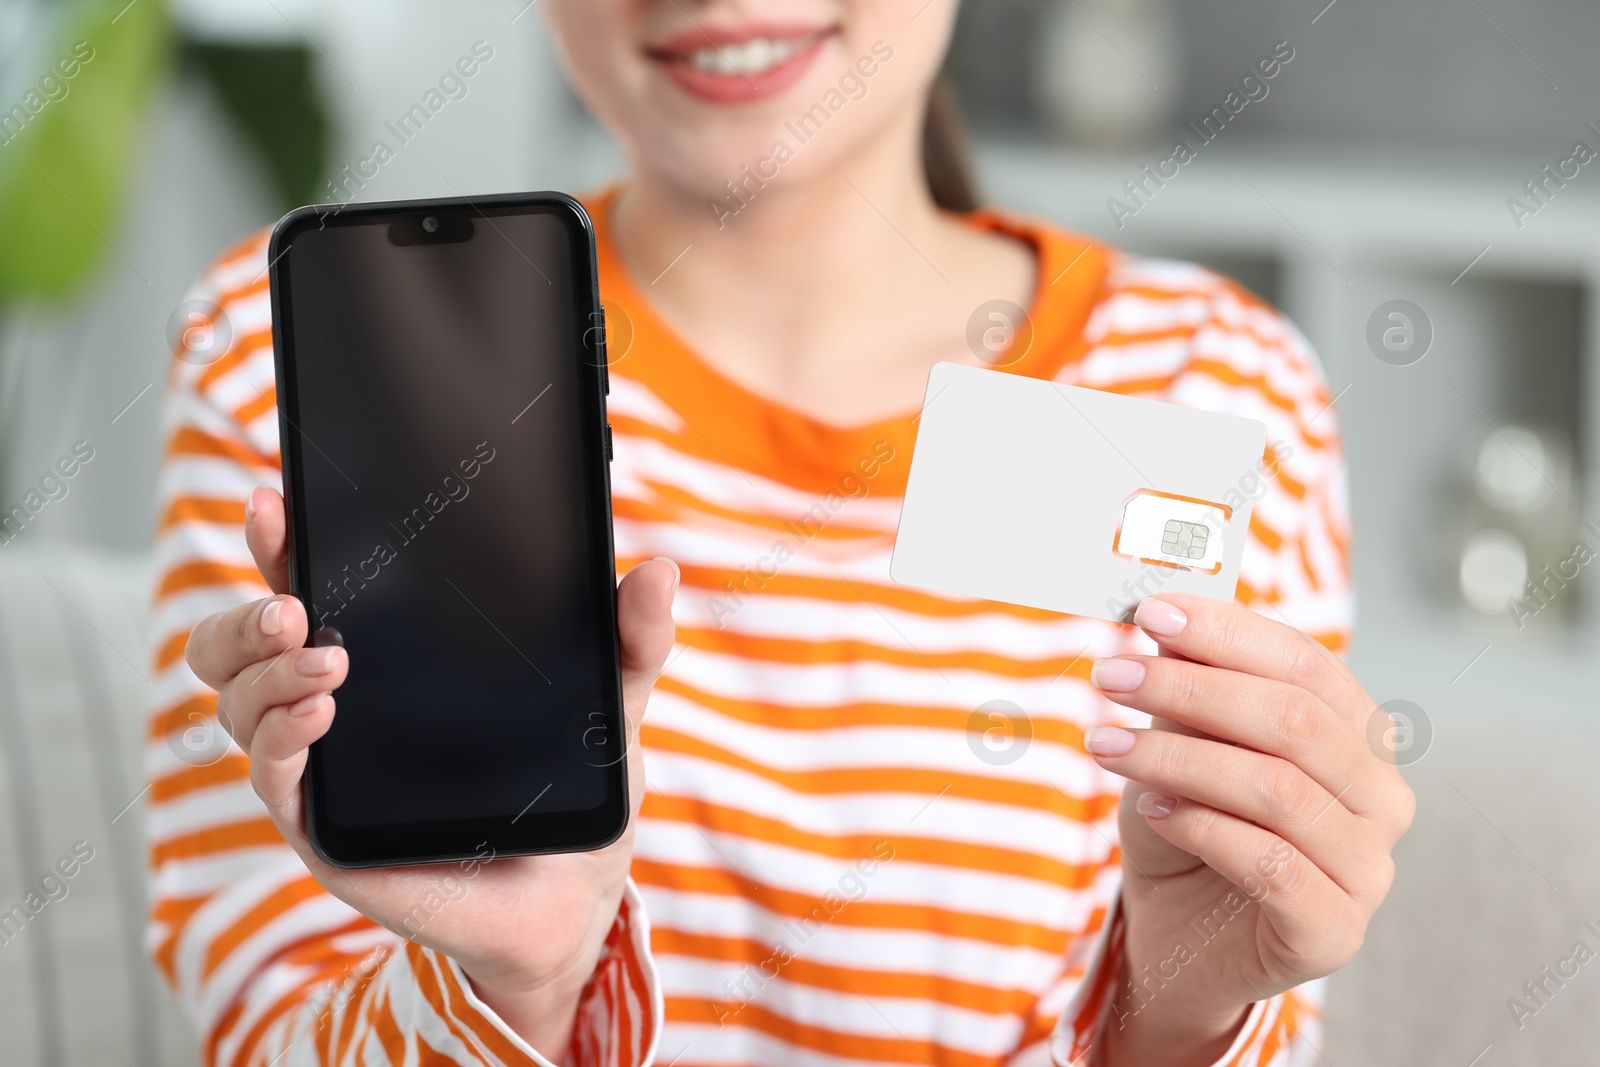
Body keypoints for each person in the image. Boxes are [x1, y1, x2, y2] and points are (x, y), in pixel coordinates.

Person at [149, 2, 1413, 1064]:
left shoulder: (1215, 386)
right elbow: (261, 1012)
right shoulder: (296, 357)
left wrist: (1180, 1007)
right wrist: (511, 988)